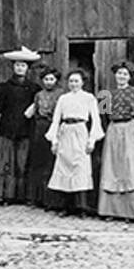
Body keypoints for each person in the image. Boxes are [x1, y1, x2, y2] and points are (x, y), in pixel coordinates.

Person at [97, 62, 134, 222]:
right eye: (119, 73)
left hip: (130, 129)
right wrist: (111, 129)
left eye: (125, 74)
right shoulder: (105, 94)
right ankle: (111, 211)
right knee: (112, 167)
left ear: (129, 77)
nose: (121, 76)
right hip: (113, 129)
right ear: (115, 75)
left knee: (131, 167)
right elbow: (102, 116)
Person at [45, 69, 103, 215]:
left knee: (81, 167)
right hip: (65, 132)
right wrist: (54, 140)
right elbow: (56, 119)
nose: (73, 84)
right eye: (71, 81)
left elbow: (96, 120)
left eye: (76, 81)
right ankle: (65, 206)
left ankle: (81, 206)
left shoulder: (89, 98)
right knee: (64, 167)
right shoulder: (63, 98)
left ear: (83, 82)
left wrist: (92, 141)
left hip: (80, 131)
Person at [0, 47, 40, 204]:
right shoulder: (4, 87)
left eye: (23, 65)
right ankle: (4, 195)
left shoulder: (34, 88)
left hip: (26, 129)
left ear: (28, 69)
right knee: (5, 161)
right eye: (17, 65)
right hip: (7, 129)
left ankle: (22, 196)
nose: (20, 68)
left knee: (22, 162)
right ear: (13, 67)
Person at [24, 68, 62, 207]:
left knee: (51, 162)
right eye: (46, 79)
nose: (49, 82)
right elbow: (31, 113)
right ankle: (36, 198)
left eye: (51, 79)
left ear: (56, 80)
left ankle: (51, 200)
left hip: (55, 127)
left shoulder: (61, 94)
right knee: (38, 161)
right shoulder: (39, 95)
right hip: (40, 129)